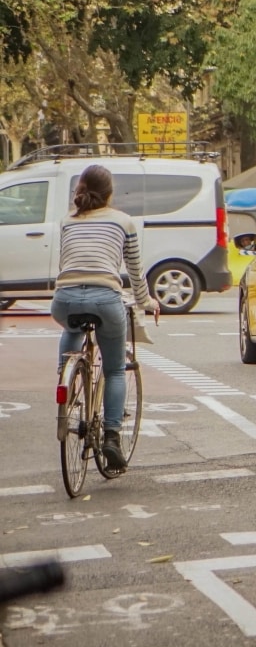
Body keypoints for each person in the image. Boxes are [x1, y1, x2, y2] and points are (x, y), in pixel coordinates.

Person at [51, 166, 160, 472]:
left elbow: (68, 265)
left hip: (65, 299)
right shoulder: (124, 222)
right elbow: (136, 275)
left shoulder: (67, 221)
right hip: (106, 299)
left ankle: (65, 380)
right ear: (110, 193)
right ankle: (111, 437)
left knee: (71, 327)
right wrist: (147, 303)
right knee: (113, 370)